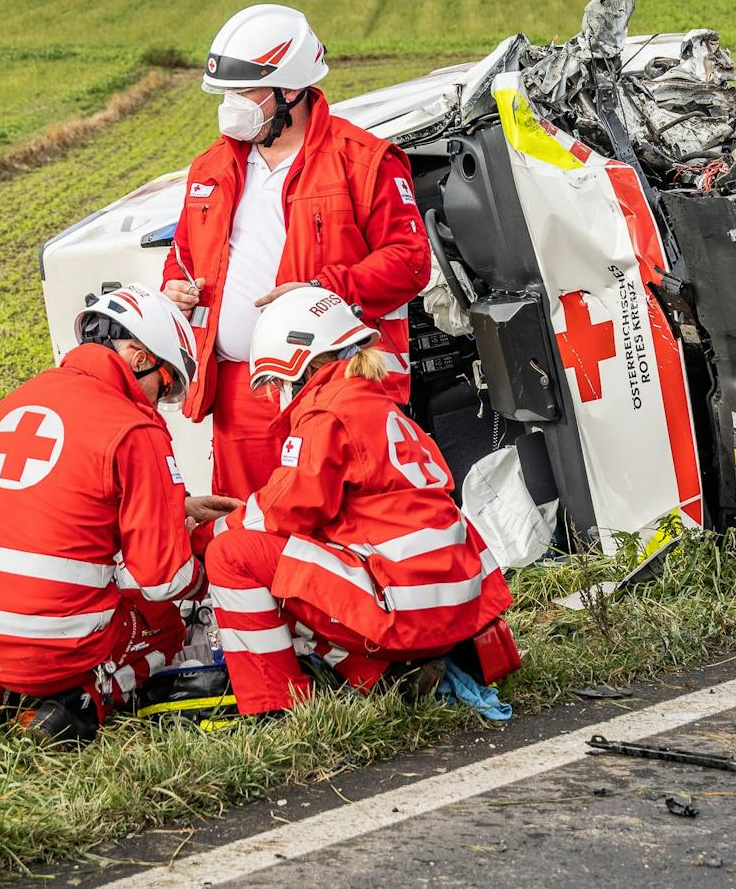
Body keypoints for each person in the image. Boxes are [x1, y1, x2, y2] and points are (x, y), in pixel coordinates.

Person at [0, 283, 239, 742]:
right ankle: (80, 703)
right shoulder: (133, 427)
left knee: (2, 621)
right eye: (167, 383)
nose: (162, 399)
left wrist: (175, 506)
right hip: (50, 647)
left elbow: (60, 509)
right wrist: (208, 581)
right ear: (138, 356)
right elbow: (162, 579)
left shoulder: (14, 402)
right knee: (166, 623)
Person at [200, 287, 514, 716]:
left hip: (409, 611)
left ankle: (274, 708)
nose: (275, 392)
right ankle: (390, 678)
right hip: (458, 609)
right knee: (302, 560)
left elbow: (286, 511)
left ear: (297, 361)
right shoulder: (379, 407)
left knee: (233, 556)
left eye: (274, 380)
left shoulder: (327, 413)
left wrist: (208, 532)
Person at [163, 3, 431, 500]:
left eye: (244, 92)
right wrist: (175, 287)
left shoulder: (365, 161)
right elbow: (183, 252)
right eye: (226, 93)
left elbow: (410, 259)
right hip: (239, 391)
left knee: (335, 517)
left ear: (289, 88)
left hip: (331, 383)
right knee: (247, 523)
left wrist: (320, 292)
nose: (230, 106)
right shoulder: (211, 168)